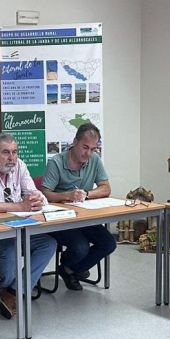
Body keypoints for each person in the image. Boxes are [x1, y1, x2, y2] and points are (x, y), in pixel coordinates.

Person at [0, 132, 57, 317]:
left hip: (18, 227)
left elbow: (33, 191)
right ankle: (8, 289)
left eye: (15, 152)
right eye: (6, 152)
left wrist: (37, 199)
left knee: (48, 244)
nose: (12, 158)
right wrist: (20, 206)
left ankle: (13, 290)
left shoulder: (19, 165)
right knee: (11, 248)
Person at [40, 122, 116, 291]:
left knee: (109, 243)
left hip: (84, 217)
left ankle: (70, 269)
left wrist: (87, 194)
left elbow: (106, 188)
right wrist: (67, 196)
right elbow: (45, 193)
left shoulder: (94, 160)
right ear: (75, 142)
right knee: (80, 247)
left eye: (93, 149)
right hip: (59, 219)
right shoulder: (56, 162)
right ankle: (73, 267)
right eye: (85, 147)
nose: (88, 153)